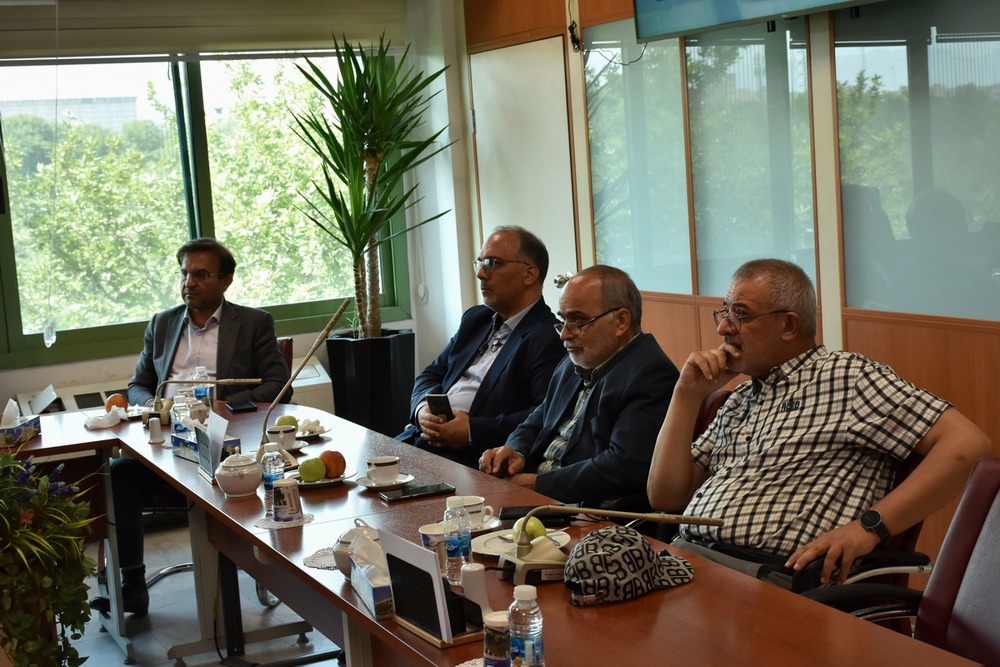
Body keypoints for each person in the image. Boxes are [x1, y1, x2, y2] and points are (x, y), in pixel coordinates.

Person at [647, 258, 990, 587]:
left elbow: (968, 445)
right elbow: (666, 496)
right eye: (724, 312)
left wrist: (868, 527)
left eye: (741, 315)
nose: (723, 327)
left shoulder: (847, 377)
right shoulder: (741, 397)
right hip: (686, 556)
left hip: (765, 576)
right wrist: (686, 395)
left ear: (789, 325)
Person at [90, 237, 292, 617]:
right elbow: (139, 384)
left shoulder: (253, 323)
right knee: (118, 474)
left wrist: (223, 407)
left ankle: (264, 570)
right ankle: (132, 586)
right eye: (185, 274)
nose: (189, 283)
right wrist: (157, 407)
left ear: (226, 280)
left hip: (225, 446)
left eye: (201, 275)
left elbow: (279, 385)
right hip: (167, 443)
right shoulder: (162, 323)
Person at [480, 265, 680, 504]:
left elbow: (623, 467)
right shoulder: (577, 359)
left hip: (583, 509)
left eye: (578, 320)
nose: (564, 334)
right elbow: (540, 418)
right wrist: (516, 450)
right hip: (537, 495)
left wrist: (537, 485)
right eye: (563, 320)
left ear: (621, 321)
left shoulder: (650, 374)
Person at [397, 226, 566, 469]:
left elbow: (546, 413)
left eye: (492, 263)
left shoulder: (549, 335)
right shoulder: (476, 319)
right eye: (480, 263)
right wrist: (423, 410)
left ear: (529, 274)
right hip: (420, 439)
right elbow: (431, 373)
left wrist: (471, 431)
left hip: (473, 458)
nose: (480, 274)